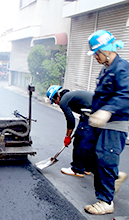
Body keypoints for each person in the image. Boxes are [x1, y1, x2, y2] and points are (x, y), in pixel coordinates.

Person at [82, 30, 128, 215]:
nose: (95, 57)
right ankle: (114, 177)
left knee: (106, 158)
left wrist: (107, 110)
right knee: (91, 155)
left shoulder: (122, 68)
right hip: (100, 122)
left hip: (114, 123)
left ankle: (106, 201)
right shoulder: (107, 68)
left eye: (96, 53)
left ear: (106, 50)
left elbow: (126, 94)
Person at [46, 85, 93, 177]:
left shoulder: (64, 100)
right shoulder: (71, 96)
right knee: (90, 141)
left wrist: (67, 136)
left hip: (91, 115)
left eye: (54, 101)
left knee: (79, 141)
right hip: (100, 114)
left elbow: (70, 120)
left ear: (57, 96)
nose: (56, 104)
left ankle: (77, 169)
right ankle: (87, 168)